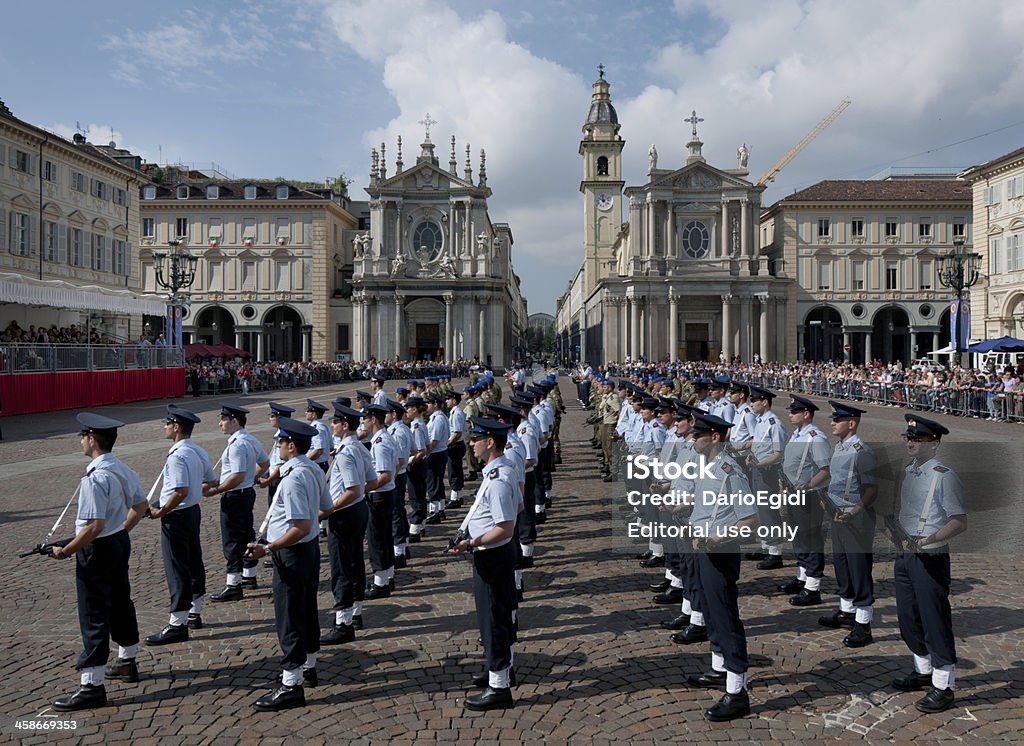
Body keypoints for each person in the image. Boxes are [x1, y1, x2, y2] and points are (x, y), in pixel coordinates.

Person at [51, 413, 148, 711]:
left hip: (98, 547)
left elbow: (93, 526)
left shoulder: (96, 477)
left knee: (94, 612)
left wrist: (66, 550)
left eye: (83, 437)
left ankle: (91, 685)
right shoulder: (121, 467)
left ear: (92, 440)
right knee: (120, 602)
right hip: (118, 540)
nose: (81, 441)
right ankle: (127, 661)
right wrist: (120, 531)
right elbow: (141, 505)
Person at [246, 416, 331, 711]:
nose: (277, 446)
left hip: (293, 552)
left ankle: (291, 684)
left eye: (280, 442)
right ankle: (308, 667)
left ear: (291, 446)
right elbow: (327, 507)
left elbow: (300, 527)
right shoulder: (312, 468)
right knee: (306, 609)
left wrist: (268, 548)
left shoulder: (294, 476)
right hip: (307, 551)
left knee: (290, 616)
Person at [889, 415, 967, 714]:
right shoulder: (909, 471)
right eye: (908, 437)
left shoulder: (944, 475)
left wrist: (928, 539)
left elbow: (959, 521)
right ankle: (923, 670)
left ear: (934, 443)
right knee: (908, 616)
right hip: (906, 553)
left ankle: (944, 686)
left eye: (918, 438)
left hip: (930, 555)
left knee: (934, 620)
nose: (910, 442)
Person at [686, 413, 758, 722]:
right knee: (712, 613)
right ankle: (720, 668)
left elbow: (749, 520)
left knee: (725, 616)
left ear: (715, 437)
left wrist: (717, 539)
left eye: (698, 434)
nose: (693, 438)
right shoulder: (711, 468)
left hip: (721, 551)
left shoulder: (731, 471)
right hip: (705, 548)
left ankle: (737, 691)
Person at [447, 418, 519, 711]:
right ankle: (499, 669)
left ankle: (499, 687)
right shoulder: (498, 472)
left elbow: (505, 527)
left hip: (493, 555)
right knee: (495, 617)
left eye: (476, 438)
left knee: (494, 621)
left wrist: (471, 543)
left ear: (490, 442)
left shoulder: (500, 479)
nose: (470, 443)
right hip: (491, 554)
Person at [146, 405, 215, 645]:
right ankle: (194, 611)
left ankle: (177, 623)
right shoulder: (197, 450)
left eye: (167, 423)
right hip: (192, 512)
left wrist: (161, 510)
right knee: (193, 561)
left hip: (176, 516)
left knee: (177, 568)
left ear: (176, 427)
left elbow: (179, 490)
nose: (164, 427)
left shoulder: (177, 455)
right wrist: (194, 492)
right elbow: (211, 481)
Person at [819, 401, 878, 648]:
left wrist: (853, 512)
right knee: (842, 564)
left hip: (856, 518)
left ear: (851, 423)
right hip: (838, 515)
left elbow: (871, 490)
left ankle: (863, 624)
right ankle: (846, 611)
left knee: (858, 568)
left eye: (838, 419)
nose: (832, 422)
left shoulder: (860, 451)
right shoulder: (841, 447)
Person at [320, 403, 374, 644]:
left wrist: (329, 509)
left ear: (344, 425)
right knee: (355, 562)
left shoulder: (346, 452)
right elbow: (371, 481)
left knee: (342, 566)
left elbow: (352, 489)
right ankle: (356, 612)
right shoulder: (359, 447)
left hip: (345, 513)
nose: (331, 425)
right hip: (358, 510)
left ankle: (343, 621)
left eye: (335, 422)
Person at [206, 403, 269, 602]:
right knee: (245, 534)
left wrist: (217, 490)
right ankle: (249, 576)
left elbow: (237, 475)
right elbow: (264, 463)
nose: (220, 424)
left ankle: (233, 584)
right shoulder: (249, 440)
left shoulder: (237, 444)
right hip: (245, 492)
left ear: (234, 421)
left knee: (232, 540)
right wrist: (252, 478)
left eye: (223, 420)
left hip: (234, 495)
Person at [778, 395, 832, 606]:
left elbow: (826, 469)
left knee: (810, 539)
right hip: (794, 492)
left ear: (806, 414)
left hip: (808, 495)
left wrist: (807, 485)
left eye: (794, 412)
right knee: (798, 536)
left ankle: (813, 586)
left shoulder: (815, 437)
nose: (790, 415)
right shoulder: (798, 434)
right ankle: (802, 576)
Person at [362, 403, 398, 599]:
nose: (363, 423)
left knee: (377, 540)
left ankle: (380, 583)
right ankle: (387, 576)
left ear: (373, 419)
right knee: (384, 537)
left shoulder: (380, 442)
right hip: (384, 493)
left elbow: (384, 474)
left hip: (380, 495)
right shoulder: (383, 438)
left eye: (365, 419)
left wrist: (364, 488)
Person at [386, 400, 413, 568]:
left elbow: (401, 460)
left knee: (396, 514)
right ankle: (404, 544)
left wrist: (389, 479)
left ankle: (399, 551)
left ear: (394, 414)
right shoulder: (401, 429)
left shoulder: (397, 432)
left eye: (387, 413)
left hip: (397, 476)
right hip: (399, 475)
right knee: (399, 511)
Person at [424, 393, 451, 523]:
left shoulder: (438, 419)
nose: (427, 406)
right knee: (437, 482)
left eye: (429, 403)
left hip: (435, 453)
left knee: (433, 482)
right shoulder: (439, 417)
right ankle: (440, 509)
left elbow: (434, 441)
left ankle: (434, 511)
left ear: (435, 404)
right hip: (440, 452)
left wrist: (425, 453)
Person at [446, 389, 467, 508]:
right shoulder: (455, 412)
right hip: (456, 444)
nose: (446, 401)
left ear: (454, 400)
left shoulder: (456, 413)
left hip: (455, 445)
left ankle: (455, 498)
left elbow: (457, 433)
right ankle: (458, 495)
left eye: (448, 399)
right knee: (456, 471)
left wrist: (447, 444)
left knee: (454, 472)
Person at [303, 400, 332, 473]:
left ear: (314, 414)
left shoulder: (317, 428)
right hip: (318, 463)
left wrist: (304, 462)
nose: (306, 413)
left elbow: (318, 450)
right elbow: (331, 446)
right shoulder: (323, 426)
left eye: (308, 411)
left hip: (317, 464)